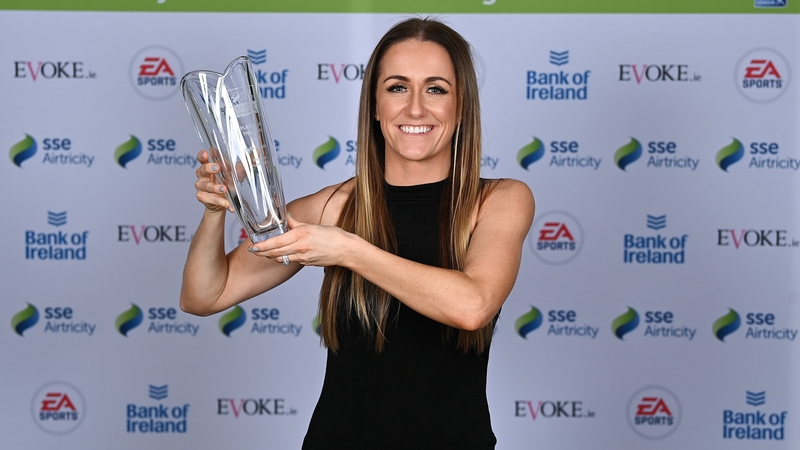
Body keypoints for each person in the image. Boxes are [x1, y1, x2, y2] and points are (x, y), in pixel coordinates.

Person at [180, 17, 534, 449]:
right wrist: (217, 210)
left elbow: (472, 306)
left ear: (461, 107)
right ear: (374, 105)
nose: (416, 108)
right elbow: (204, 296)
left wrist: (349, 250)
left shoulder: (498, 200)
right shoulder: (334, 207)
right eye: (397, 87)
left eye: (436, 89)